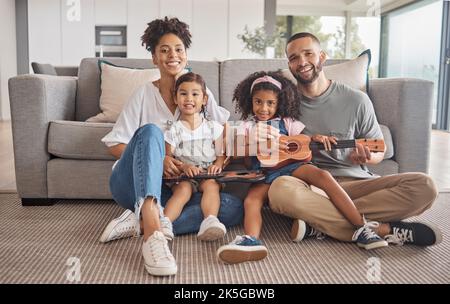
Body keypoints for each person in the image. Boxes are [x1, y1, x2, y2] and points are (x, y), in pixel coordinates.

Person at [98, 17, 243, 277]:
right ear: (154, 58)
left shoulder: (199, 91)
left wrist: (220, 160)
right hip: (131, 184)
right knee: (152, 132)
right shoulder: (143, 94)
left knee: (231, 207)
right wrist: (158, 159)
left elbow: (224, 131)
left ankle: (141, 221)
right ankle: (153, 235)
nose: (172, 55)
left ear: (186, 56)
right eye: (164, 50)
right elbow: (114, 144)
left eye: (178, 49)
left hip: (177, 189)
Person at [267, 32, 442, 247]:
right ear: (289, 65)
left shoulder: (356, 100)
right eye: (294, 58)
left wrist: (367, 157)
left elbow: (379, 149)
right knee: (278, 190)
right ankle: (381, 228)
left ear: (322, 57)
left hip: (356, 183)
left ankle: (320, 223)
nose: (301, 62)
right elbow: (273, 146)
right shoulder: (282, 103)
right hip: (310, 187)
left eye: (308, 54)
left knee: (425, 186)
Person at [217, 71, 388, 264]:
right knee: (251, 201)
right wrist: (258, 145)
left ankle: (361, 227)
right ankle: (251, 240)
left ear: (279, 103)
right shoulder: (248, 125)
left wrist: (317, 138)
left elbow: (303, 139)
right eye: (258, 102)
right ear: (251, 102)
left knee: (323, 176)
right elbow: (235, 149)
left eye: (270, 103)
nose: (264, 108)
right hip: (264, 174)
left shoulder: (288, 122)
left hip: (293, 167)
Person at [163, 72, 227, 241]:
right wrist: (184, 167)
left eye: (195, 94)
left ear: (204, 99)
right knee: (183, 190)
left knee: (212, 186)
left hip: (206, 173)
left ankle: (210, 221)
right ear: (176, 99)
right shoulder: (174, 129)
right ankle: (165, 223)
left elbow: (222, 154)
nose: (189, 98)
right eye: (183, 93)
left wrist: (218, 164)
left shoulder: (213, 127)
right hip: (184, 175)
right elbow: (168, 159)